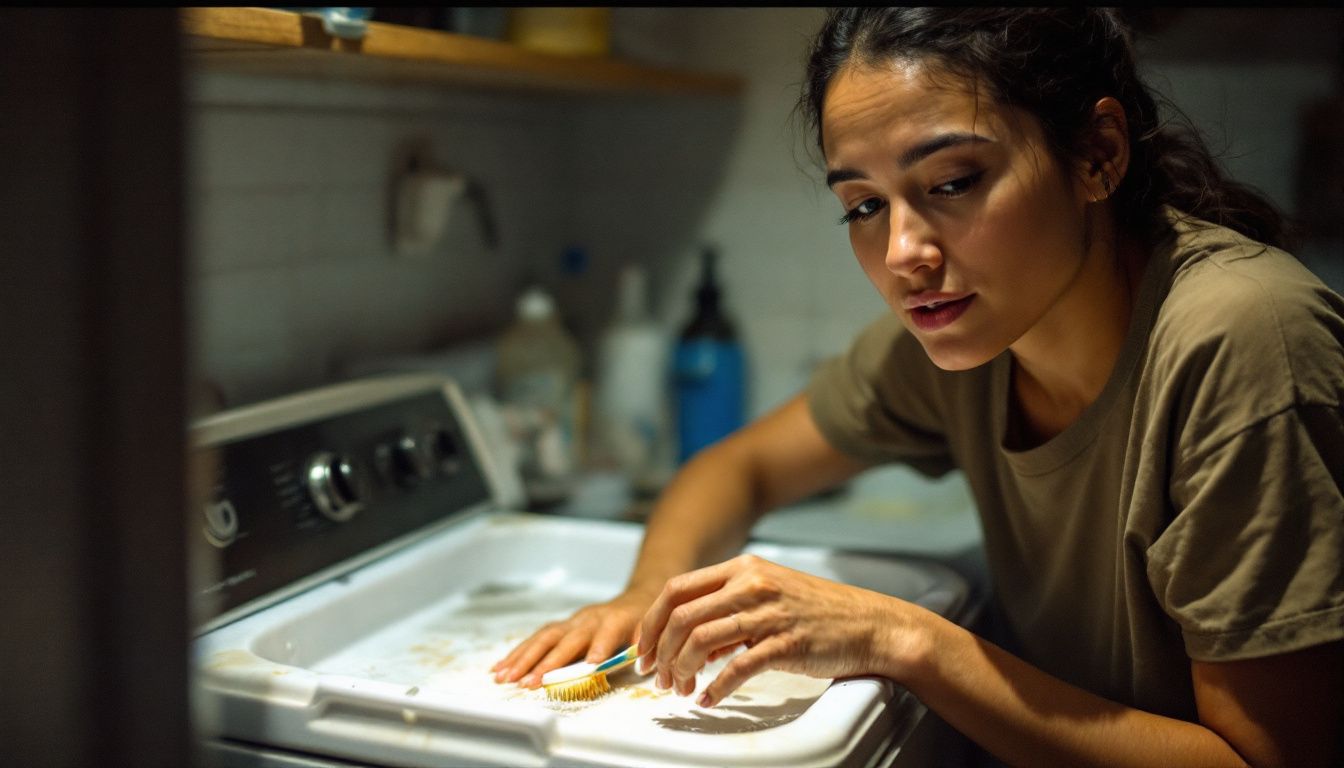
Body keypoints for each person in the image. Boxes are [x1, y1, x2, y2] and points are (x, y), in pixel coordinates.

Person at [494, 8, 1344, 765]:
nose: (904, 253)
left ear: (1098, 154)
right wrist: (649, 591)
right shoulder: (970, 331)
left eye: (950, 184)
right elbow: (739, 467)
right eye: (864, 205)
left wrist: (904, 638)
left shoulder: (1239, 339)